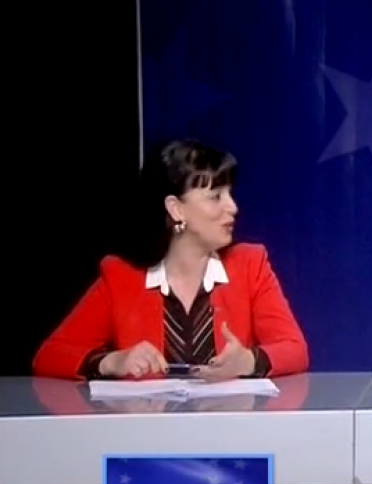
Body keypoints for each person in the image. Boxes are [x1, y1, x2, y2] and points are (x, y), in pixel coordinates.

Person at [33, 139, 309, 381]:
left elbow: (295, 349)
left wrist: (249, 362)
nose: (233, 207)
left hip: (230, 423)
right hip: (148, 425)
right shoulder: (120, 277)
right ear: (176, 209)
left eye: (229, 194)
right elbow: (50, 356)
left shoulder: (250, 265)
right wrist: (111, 362)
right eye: (215, 197)